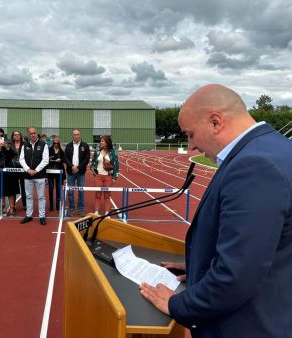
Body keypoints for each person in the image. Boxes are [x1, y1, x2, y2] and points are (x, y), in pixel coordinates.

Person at [139, 84, 292, 338]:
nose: (190, 147)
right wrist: (201, 268)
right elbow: (262, 249)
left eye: (190, 134)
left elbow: (237, 275)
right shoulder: (274, 148)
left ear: (215, 122)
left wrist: (176, 305)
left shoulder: (255, 165)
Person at [19, 126, 49, 225]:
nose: (33, 135)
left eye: (34, 133)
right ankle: (29, 215)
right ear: (28, 134)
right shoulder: (25, 145)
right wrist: (28, 169)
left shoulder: (43, 145)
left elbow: (45, 160)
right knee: (28, 196)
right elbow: (21, 159)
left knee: (41, 197)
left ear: (37, 133)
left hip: (39, 175)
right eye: (31, 133)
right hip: (28, 176)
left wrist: (36, 170)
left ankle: (42, 216)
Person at [0, 128, 19, 216]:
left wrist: (7, 147)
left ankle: (12, 208)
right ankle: (3, 207)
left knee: (10, 190)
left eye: (2, 135)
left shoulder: (10, 142)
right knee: (1, 190)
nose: (0, 137)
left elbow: (14, 154)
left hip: (9, 168)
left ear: (4, 135)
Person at [90, 135, 119, 215]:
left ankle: (107, 213)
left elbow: (116, 165)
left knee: (107, 195)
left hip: (108, 176)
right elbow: (92, 162)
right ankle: (96, 212)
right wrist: (92, 169)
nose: (100, 142)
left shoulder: (113, 152)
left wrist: (115, 177)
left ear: (107, 142)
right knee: (98, 194)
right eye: (101, 141)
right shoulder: (97, 151)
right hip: (98, 176)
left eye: (102, 141)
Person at [64, 129, 90, 217]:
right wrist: (72, 166)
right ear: (72, 135)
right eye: (74, 134)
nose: (76, 136)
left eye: (78, 134)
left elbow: (86, 159)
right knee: (70, 191)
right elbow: (66, 158)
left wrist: (78, 167)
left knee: (81, 191)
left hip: (81, 172)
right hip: (70, 172)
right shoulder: (68, 146)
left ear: (80, 135)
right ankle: (71, 208)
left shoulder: (85, 146)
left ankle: (81, 209)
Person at [9, 130, 26, 211]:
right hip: (13, 168)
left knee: (24, 187)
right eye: (15, 135)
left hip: (23, 168)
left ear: (20, 135)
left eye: (18, 134)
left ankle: (25, 205)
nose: (16, 136)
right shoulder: (9, 144)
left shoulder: (25, 144)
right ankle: (13, 205)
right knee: (13, 187)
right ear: (12, 136)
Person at [47, 137, 65, 211]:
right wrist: (49, 159)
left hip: (59, 171)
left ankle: (58, 205)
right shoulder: (49, 149)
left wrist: (60, 160)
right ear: (53, 143)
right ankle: (51, 205)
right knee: (50, 189)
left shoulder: (62, 150)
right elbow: (45, 158)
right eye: (54, 143)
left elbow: (65, 159)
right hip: (50, 171)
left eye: (57, 143)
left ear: (59, 143)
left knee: (58, 189)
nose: (56, 144)